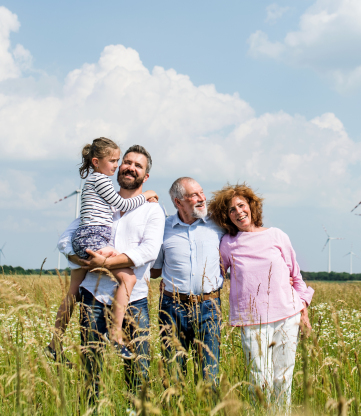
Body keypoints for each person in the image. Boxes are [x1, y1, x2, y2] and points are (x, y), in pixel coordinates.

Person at [57, 145, 165, 399]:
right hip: (93, 297)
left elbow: (149, 251)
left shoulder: (152, 210)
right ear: (118, 167)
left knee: (138, 373)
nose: (130, 167)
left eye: (138, 165)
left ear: (145, 177)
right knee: (91, 372)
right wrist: (78, 259)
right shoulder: (101, 202)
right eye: (126, 162)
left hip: (134, 299)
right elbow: (65, 238)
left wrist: (106, 264)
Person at [208, 183, 313, 410]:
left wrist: (303, 311)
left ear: (252, 207)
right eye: (231, 210)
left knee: (283, 377)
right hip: (252, 320)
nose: (238, 212)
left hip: (287, 315)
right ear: (226, 217)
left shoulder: (277, 235)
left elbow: (296, 277)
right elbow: (216, 275)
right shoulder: (228, 244)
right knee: (259, 378)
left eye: (241, 205)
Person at [150, 177, 223, 386]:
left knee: (209, 375)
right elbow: (155, 270)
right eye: (194, 195)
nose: (202, 198)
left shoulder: (218, 225)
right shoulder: (162, 228)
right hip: (172, 307)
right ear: (178, 202)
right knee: (173, 376)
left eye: (201, 192)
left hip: (209, 307)